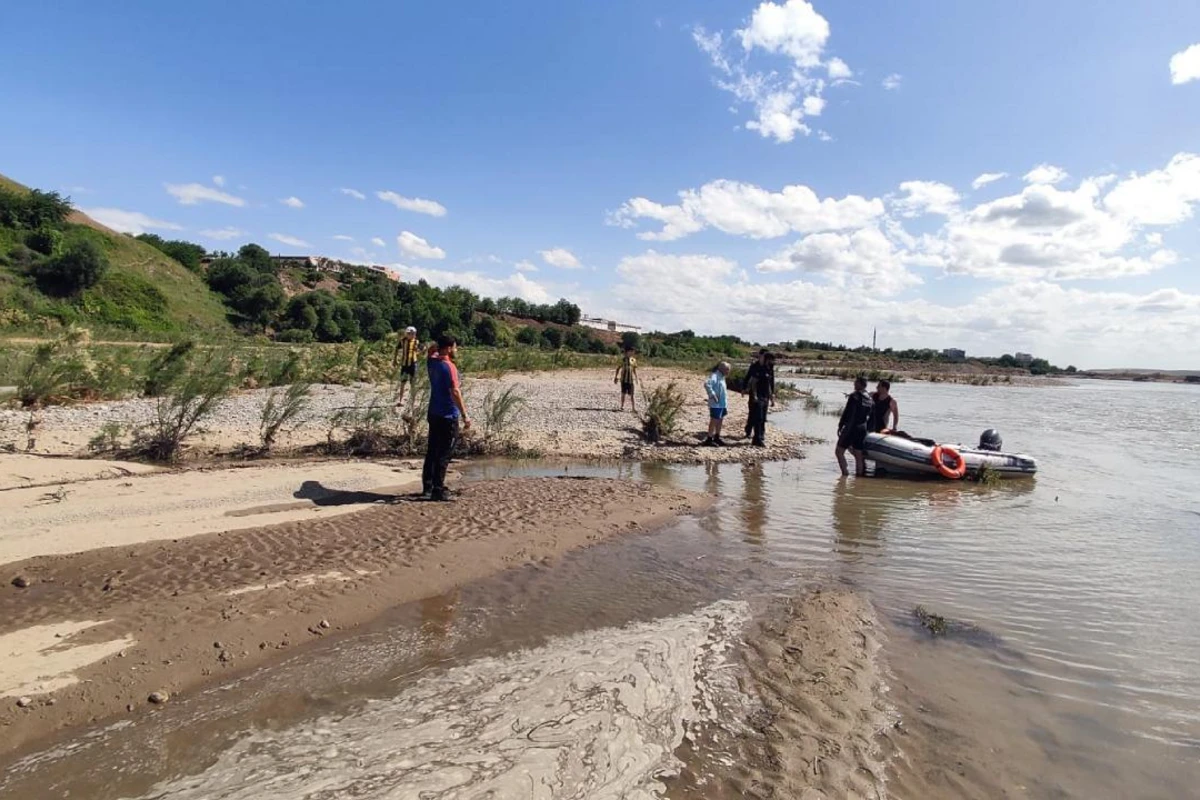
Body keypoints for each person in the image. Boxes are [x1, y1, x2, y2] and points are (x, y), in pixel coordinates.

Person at [423, 334, 471, 501]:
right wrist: (465, 415)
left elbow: (430, 351)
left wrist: (436, 346)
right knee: (444, 452)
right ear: (449, 348)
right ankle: (438, 489)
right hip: (447, 415)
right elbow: (455, 392)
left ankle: (427, 486)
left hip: (433, 412)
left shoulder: (432, 361)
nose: (456, 350)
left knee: (432, 450)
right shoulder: (448, 366)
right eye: (455, 347)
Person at [836, 376, 874, 476]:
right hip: (862, 429)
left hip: (852, 427)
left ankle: (845, 474)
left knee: (839, 452)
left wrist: (841, 425)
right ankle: (859, 479)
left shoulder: (854, 396)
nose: (854, 384)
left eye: (856, 383)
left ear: (860, 384)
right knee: (858, 455)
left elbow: (848, 412)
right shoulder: (870, 398)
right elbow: (870, 416)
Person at [743, 350, 776, 440]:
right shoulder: (755, 366)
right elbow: (750, 379)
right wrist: (745, 389)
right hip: (756, 394)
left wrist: (772, 394)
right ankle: (749, 431)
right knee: (754, 413)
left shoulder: (769, 367)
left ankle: (761, 434)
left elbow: (771, 382)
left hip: (765, 394)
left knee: (763, 416)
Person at [703, 361, 731, 446]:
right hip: (716, 404)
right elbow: (707, 384)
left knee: (720, 419)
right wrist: (712, 394)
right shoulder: (715, 375)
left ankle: (717, 437)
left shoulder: (722, 377)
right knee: (714, 420)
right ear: (721, 369)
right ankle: (709, 439)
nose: (728, 371)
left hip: (722, 403)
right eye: (727, 369)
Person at [393, 326, 421, 407]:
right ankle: (400, 400)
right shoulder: (402, 341)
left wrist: (418, 351)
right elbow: (396, 349)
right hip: (404, 365)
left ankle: (413, 402)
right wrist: (395, 359)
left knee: (413, 384)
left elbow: (421, 350)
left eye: (412, 333)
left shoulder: (416, 342)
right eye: (409, 333)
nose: (411, 335)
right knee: (402, 382)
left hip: (413, 364)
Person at [614, 347, 638, 412]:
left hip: (631, 380)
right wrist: (616, 377)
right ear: (627, 352)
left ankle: (633, 408)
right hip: (624, 380)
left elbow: (634, 370)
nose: (632, 353)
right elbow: (618, 368)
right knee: (623, 393)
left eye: (633, 352)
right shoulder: (623, 360)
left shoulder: (633, 360)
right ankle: (622, 406)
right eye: (631, 351)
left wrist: (636, 378)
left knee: (632, 394)